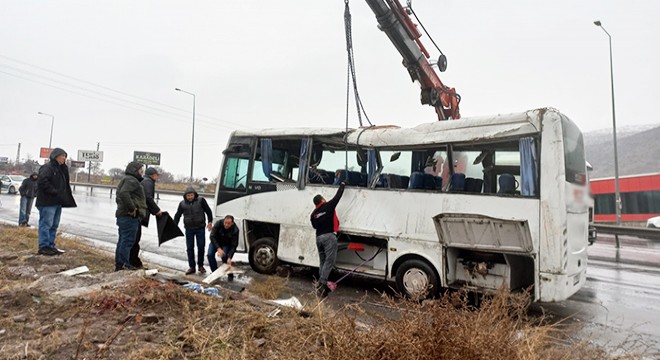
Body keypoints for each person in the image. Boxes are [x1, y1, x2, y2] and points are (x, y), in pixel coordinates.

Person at [36, 148, 77, 256]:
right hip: (47, 202)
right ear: (55, 156)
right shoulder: (48, 167)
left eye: (65, 156)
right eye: (62, 156)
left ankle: (50, 245)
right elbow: (42, 181)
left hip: (57, 201)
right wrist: (54, 192)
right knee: (46, 224)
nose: (64, 158)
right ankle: (43, 246)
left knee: (54, 225)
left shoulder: (61, 169)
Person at [310, 181, 346, 297]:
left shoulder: (314, 214)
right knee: (329, 261)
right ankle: (322, 283)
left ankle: (321, 284)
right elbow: (338, 196)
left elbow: (314, 226)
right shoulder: (328, 206)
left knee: (323, 261)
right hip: (328, 237)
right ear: (322, 200)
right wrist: (343, 184)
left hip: (318, 238)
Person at [114, 161, 148, 271]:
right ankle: (123, 264)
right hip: (129, 217)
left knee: (123, 240)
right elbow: (124, 193)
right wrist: (132, 208)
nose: (142, 172)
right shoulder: (131, 180)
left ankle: (120, 264)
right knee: (127, 241)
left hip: (124, 216)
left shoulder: (127, 179)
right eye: (140, 169)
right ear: (134, 170)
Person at [174, 186, 213, 275]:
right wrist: (174, 225)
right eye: (188, 196)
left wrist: (210, 222)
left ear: (194, 195)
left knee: (201, 246)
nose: (190, 197)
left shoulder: (201, 200)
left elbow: (208, 211)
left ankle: (200, 265)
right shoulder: (182, 204)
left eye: (191, 195)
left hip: (200, 228)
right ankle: (192, 267)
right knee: (190, 248)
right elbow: (177, 215)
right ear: (185, 196)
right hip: (189, 229)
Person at [130, 167, 163, 268]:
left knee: (134, 239)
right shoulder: (148, 182)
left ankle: (133, 261)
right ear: (153, 175)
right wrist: (157, 210)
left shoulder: (145, 181)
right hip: (137, 214)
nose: (157, 177)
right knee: (135, 239)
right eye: (157, 175)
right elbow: (148, 198)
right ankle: (133, 262)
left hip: (137, 213)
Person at [208, 215, 239, 280]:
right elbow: (212, 236)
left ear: (232, 223)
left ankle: (230, 273)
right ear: (223, 221)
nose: (226, 225)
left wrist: (230, 257)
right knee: (210, 254)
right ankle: (215, 272)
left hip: (226, 243)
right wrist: (218, 248)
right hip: (216, 242)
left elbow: (234, 245)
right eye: (225, 223)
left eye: (228, 223)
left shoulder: (235, 230)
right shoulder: (218, 223)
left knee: (225, 257)